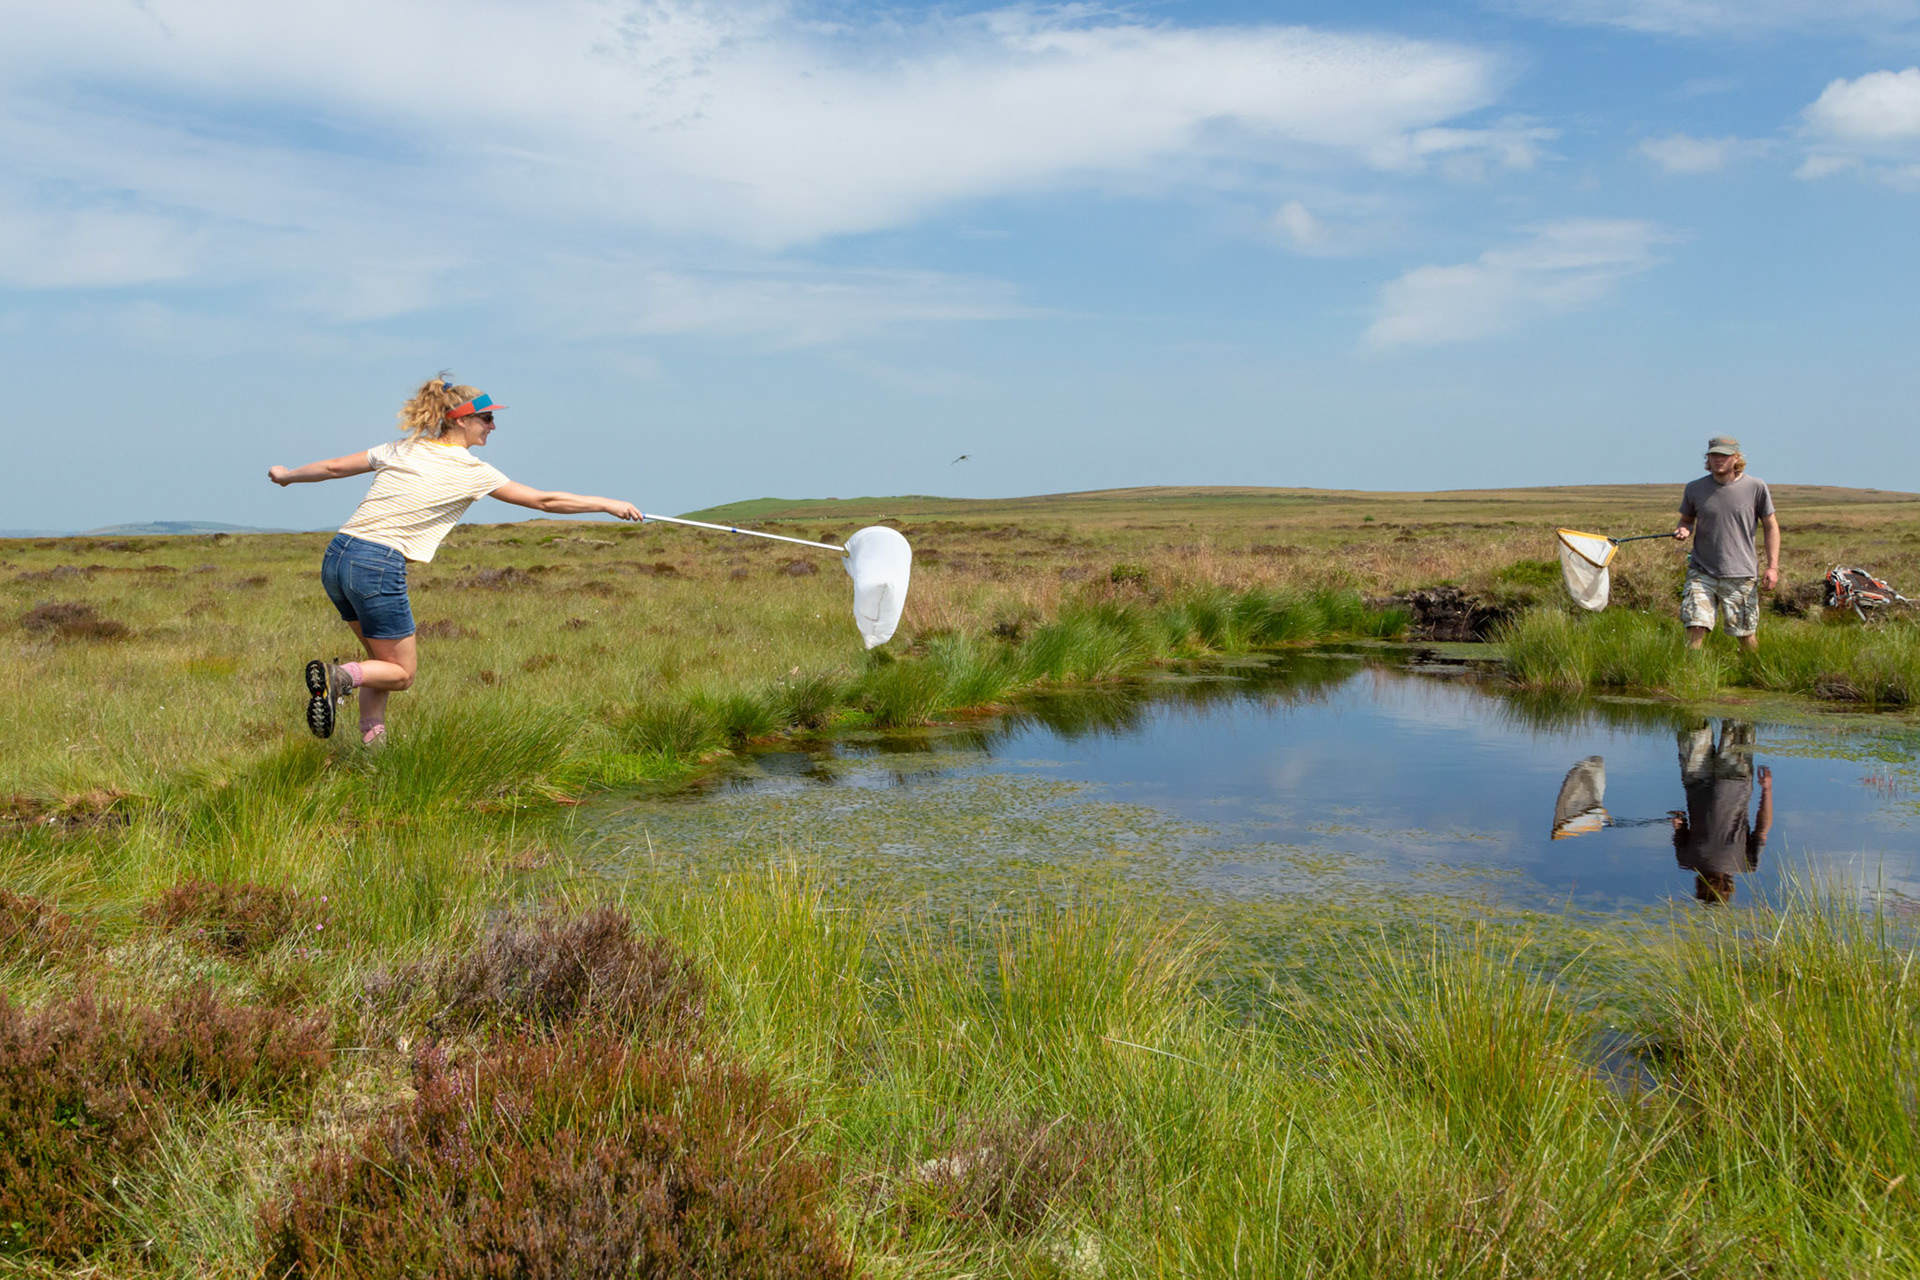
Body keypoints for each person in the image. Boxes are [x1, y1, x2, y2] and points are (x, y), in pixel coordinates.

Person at [268, 375, 640, 743]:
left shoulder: (402, 448)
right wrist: (608, 504)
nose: (493, 427)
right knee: (401, 673)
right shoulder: (473, 471)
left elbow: (333, 467)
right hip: (377, 564)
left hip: (338, 557)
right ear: (460, 419)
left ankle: (373, 745)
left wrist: (287, 476)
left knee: (378, 663)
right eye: (487, 419)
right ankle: (339, 678)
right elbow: (544, 501)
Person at [1673, 436, 1780, 651]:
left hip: (1741, 572)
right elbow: (1686, 520)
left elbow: (1771, 526)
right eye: (1714, 455)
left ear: (1736, 458)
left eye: (1724, 455)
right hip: (1701, 571)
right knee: (1695, 624)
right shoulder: (1694, 488)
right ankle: (1690, 676)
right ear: (1708, 458)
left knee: (1745, 632)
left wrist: (1772, 567)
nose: (1718, 459)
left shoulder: (1756, 487)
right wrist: (1684, 529)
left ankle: (1754, 671)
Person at [1670, 719, 1772, 904]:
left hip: (1729, 780)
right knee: (1697, 720)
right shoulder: (1686, 860)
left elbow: (1762, 829)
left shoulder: (1746, 865)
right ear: (1699, 886)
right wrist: (1767, 790)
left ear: (1729, 889)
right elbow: (1680, 825)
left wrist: (1766, 790)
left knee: (1734, 718)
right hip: (1704, 780)